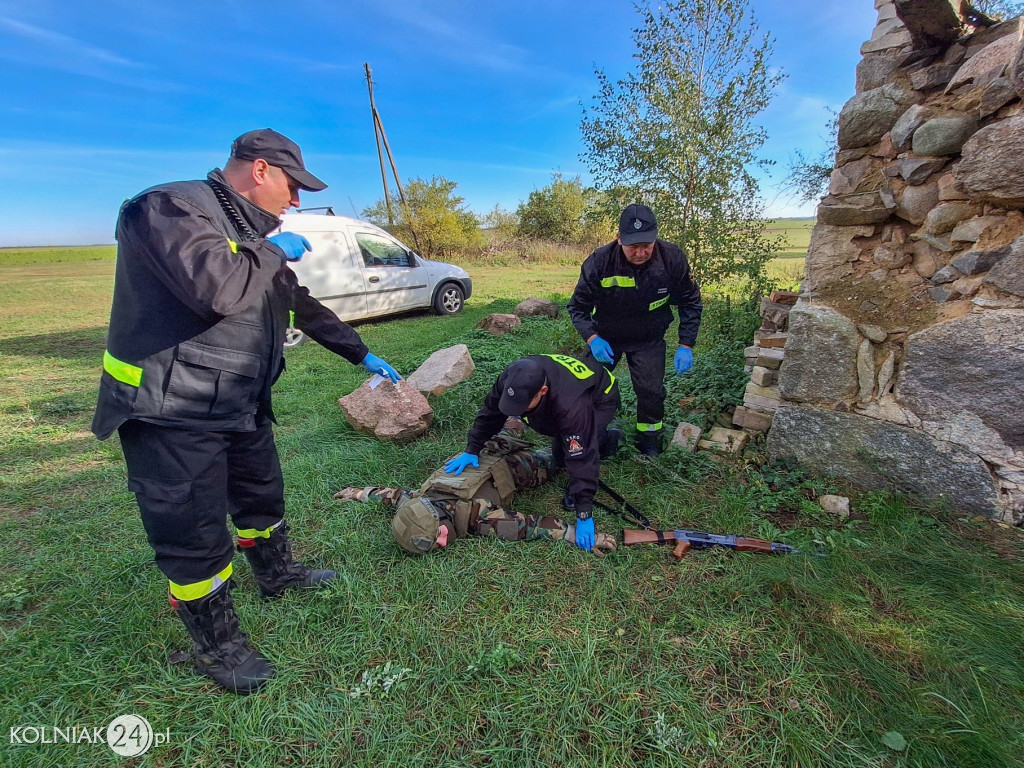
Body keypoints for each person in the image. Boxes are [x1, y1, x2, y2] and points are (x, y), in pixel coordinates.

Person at [91, 129, 401, 695]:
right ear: (260, 170)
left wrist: (362, 353)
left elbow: (298, 304)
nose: (297, 200)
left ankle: (277, 574)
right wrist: (271, 249)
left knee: (262, 495)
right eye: (292, 185)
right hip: (171, 407)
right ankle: (219, 646)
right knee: (193, 530)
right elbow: (217, 288)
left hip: (238, 401)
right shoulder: (169, 209)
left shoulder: (248, 236)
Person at [335, 430, 616, 556]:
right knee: (512, 427)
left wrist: (576, 535)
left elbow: (530, 527)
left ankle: (610, 435)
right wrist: (359, 493)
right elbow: (391, 496)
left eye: (439, 536)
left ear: (440, 519)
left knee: (565, 454)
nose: (444, 543)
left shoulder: (478, 518)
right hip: (483, 453)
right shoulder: (418, 501)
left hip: (520, 467)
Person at [443, 354, 620, 552]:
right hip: (560, 394)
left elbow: (582, 458)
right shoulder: (511, 378)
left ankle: (610, 438)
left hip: (599, 396)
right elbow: (490, 414)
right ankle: (566, 439)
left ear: (542, 391)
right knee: (560, 452)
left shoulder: (572, 404)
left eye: (522, 406)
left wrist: (584, 513)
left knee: (578, 446)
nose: (516, 411)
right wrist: (472, 448)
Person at [567, 204, 703, 456]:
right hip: (606, 335)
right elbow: (577, 307)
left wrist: (686, 344)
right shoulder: (599, 261)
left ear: (656, 237)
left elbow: (690, 301)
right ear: (619, 238)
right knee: (586, 385)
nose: (640, 253)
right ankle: (586, 435)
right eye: (633, 247)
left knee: (651, 392)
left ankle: (649, 442)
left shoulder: (672, 257)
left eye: (646, 246)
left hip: (648, 337)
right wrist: (592, 337)